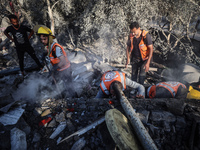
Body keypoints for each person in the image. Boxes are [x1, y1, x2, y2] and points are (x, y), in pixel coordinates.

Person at [36, 26, 76, 98]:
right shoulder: (49, 46)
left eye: (44, 39)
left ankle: (75, 99)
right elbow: (50, 53)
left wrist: (55, 67)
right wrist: (44, 54)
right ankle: (60, 95)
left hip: (65, 69)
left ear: (49, 38)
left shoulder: (56, 48)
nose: (42, 41)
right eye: (41, 39)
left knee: (69, 87)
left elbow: (63, 60)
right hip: (59, 69)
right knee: (56, 82)